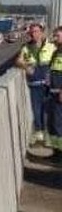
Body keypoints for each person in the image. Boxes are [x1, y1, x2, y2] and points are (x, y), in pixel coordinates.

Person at [17, 22, 55, 147]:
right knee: (37, 110)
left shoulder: (51, 46)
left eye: (37, 31)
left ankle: (48, 136)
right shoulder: (26, 47)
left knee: (48, 111)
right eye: (32, 32)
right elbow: (18, 60)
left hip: (49, 85)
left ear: (42, 32)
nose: (34, 34)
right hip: (34, 84)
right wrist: (25, 66)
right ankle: (40, 135)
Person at [49, 27, 62, 158]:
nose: (55, 38)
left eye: (57, 36)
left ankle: (59, 155)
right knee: (53, 123)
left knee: (58, 123)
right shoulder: (56, 52)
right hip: (53, 92)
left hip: (59, 93)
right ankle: (56, 152)